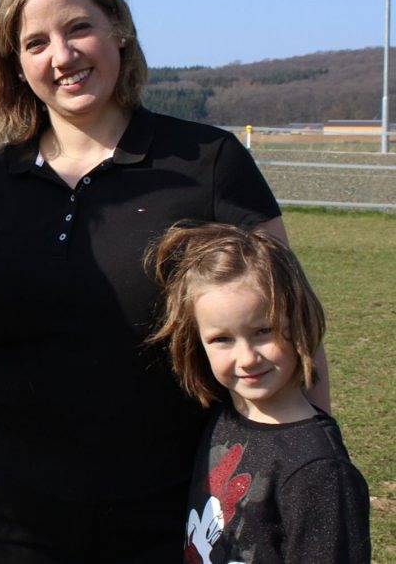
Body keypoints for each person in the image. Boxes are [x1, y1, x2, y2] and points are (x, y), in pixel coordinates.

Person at [0, 0, 330, 563]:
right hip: (4, 517)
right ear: (17, 67)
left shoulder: (209, 163)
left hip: (175, 509)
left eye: (79, 28)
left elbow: (293, 323)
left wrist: (309, 455)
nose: (63, 56)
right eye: (35, 43)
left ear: (118, 30)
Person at [148, 222, 370, 563]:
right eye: (222, 339)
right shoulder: (224, 416)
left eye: (263, 331)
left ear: (297, 319)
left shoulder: (319, 471)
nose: (247, 358)